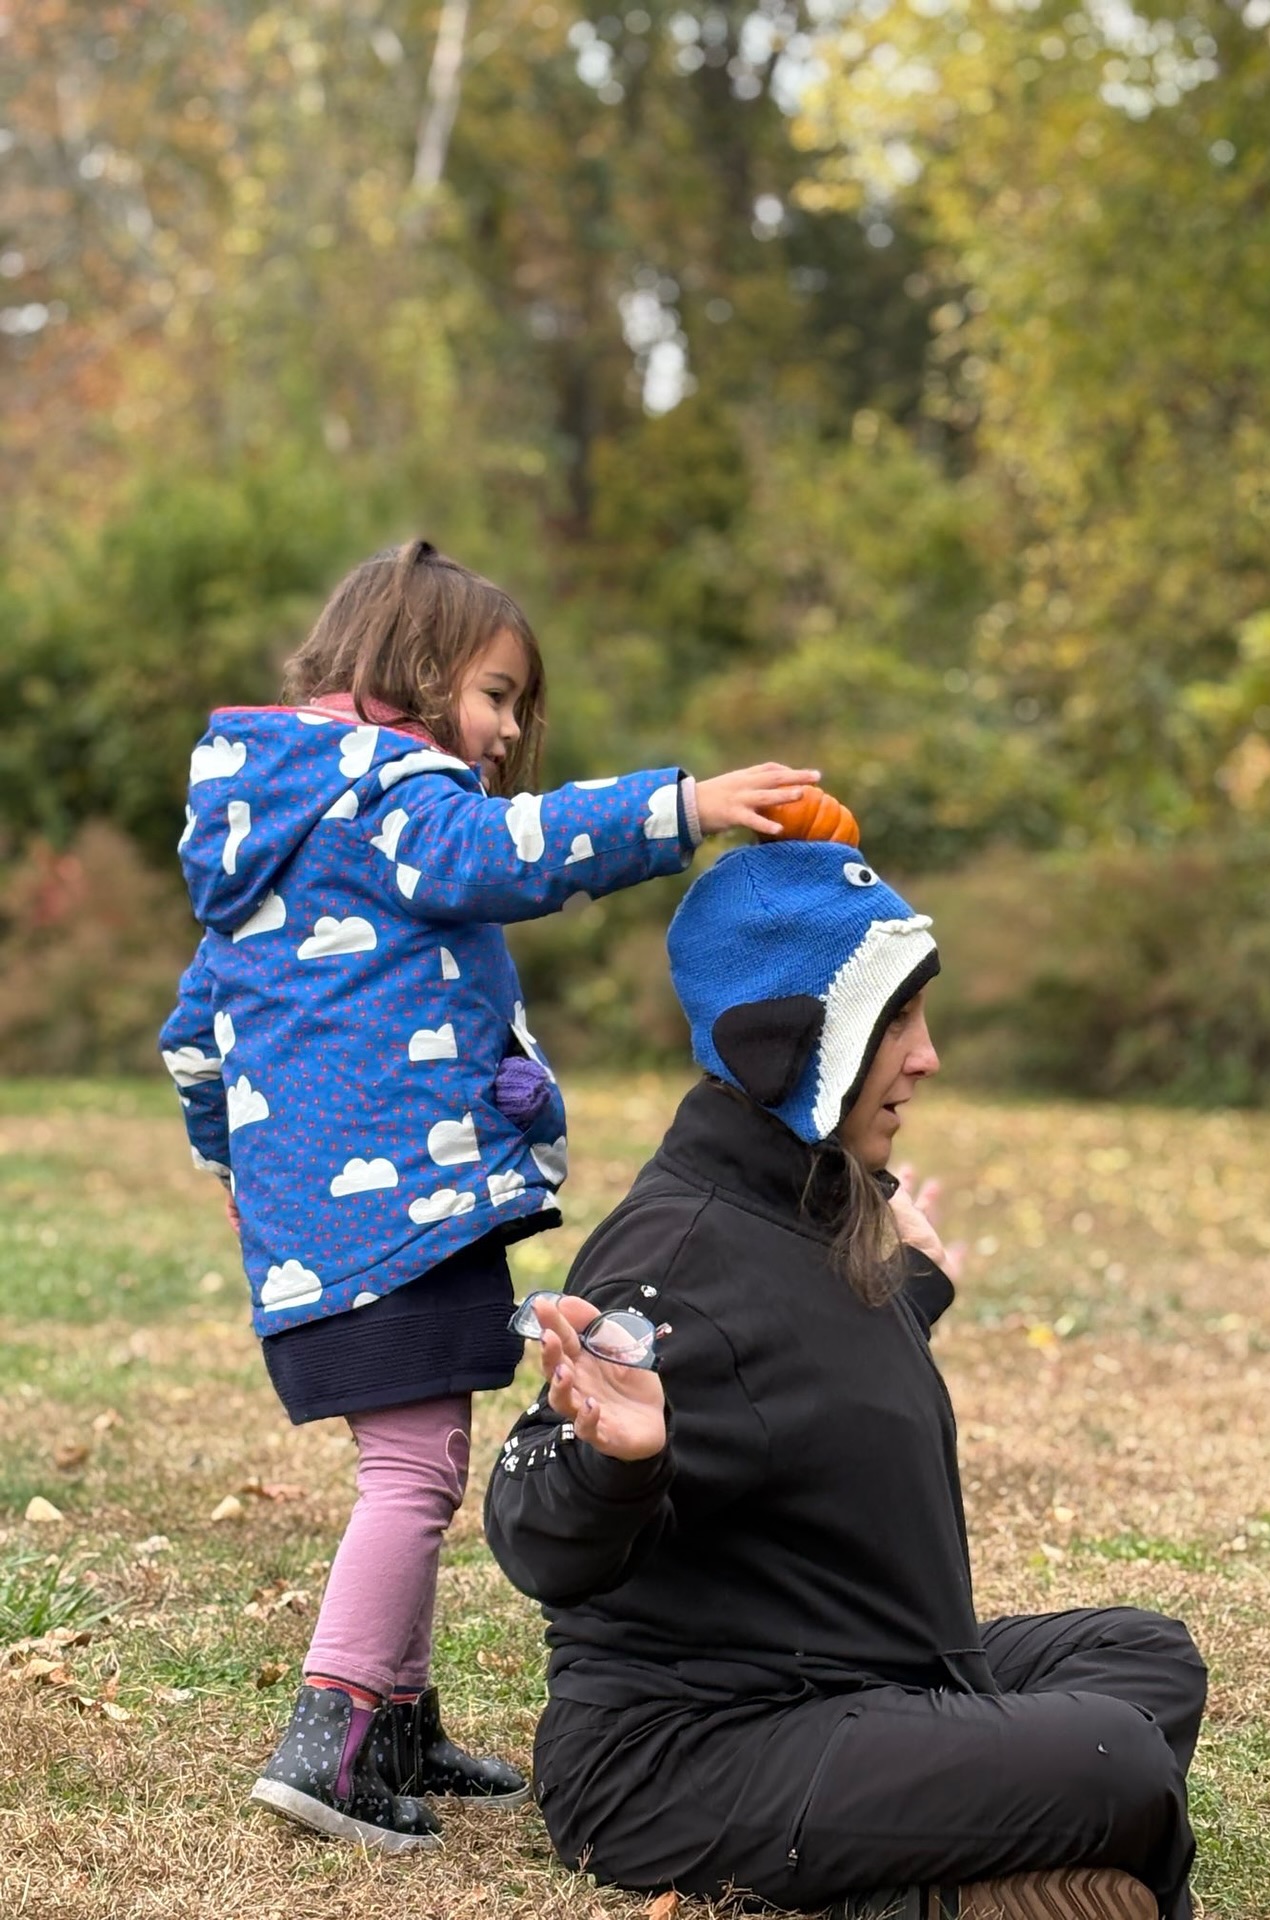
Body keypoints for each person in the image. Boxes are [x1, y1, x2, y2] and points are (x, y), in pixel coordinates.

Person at [157, 538, 818, 1852]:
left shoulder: (275, 834)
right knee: (409, 1473)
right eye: (497, 694)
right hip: (389, 1217)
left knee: (426, 1456)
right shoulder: (387, 799)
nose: (510, 731)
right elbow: (513, 852)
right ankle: (332, 1734)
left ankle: (397, 1718)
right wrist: (678, 809)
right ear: (409, 669)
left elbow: (194, 1038)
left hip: (356, 1218)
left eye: (521, 706)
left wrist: (245, 1176)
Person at [483, 839, 1208, 1920]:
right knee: (1116, 1759)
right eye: (898, 1019)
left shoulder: (812, 1203)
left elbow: (807, 1388)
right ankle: (927, 1898)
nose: (928, 1057)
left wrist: (912, 1292)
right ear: (793, 1046)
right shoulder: (678, 1259)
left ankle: (956, 1852)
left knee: (1145, 1661)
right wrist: (615, 1464)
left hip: (859, 1679)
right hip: (679, 1759)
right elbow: (529, 1518)